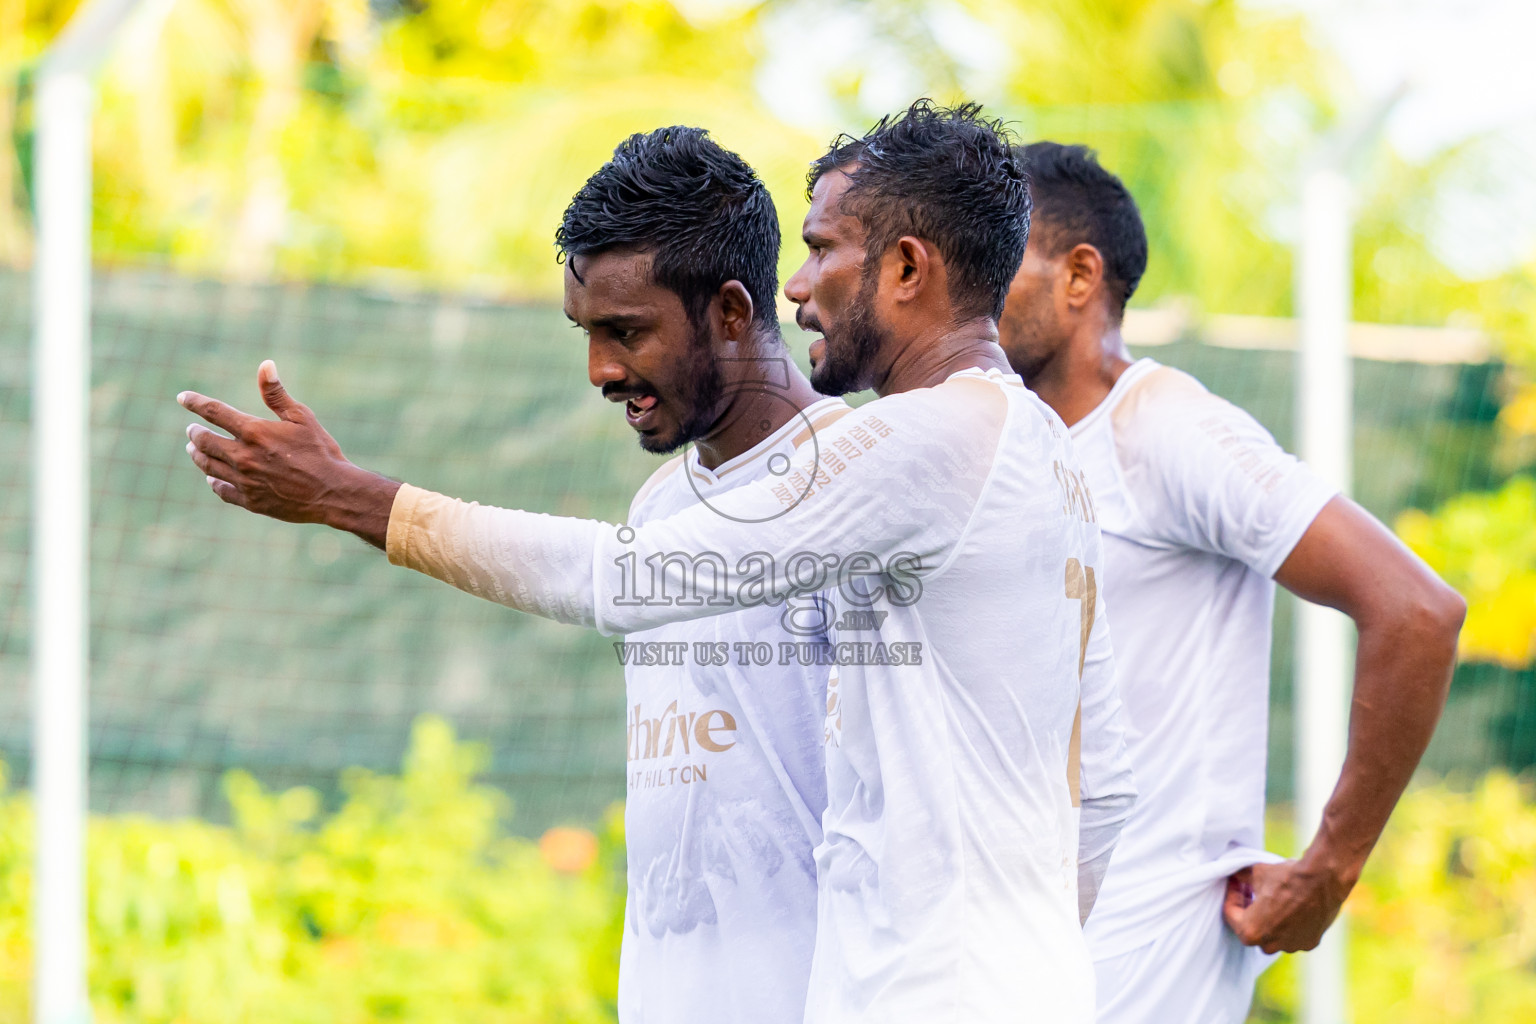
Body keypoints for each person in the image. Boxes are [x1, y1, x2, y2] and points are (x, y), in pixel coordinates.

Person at [179, 101, 1136, 1022]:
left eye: (819, 250)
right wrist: (1031, 958)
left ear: (907, 267)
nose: (796, 286)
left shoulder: (928, 441)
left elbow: (623, 581)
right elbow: (1105, 782)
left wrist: (354, 498)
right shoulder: (1037, 449)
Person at [997, 141, 1466, 1023]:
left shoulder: (1165, 427)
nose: (972, 291)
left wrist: (1331, 866)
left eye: (999, 258)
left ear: (1079, 275)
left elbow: (1417, 611)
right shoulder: (1009, 454)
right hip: (1024, 952)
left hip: (1146, 965)